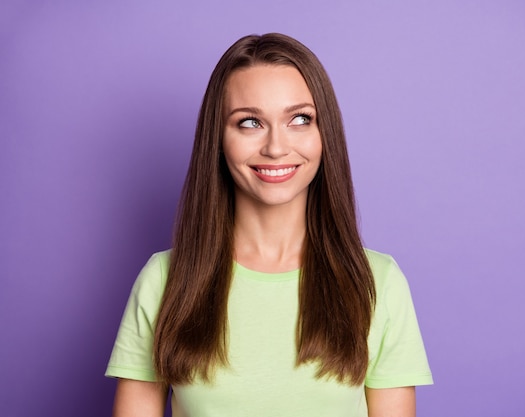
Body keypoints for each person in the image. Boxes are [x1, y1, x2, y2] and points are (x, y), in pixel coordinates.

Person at [105, 33, 432, 417]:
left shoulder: (378, 281)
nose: (276, 147)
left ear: (324, 134)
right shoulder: (164, 279)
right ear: (218, 139)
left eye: (299, 119)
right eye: (249, 122)